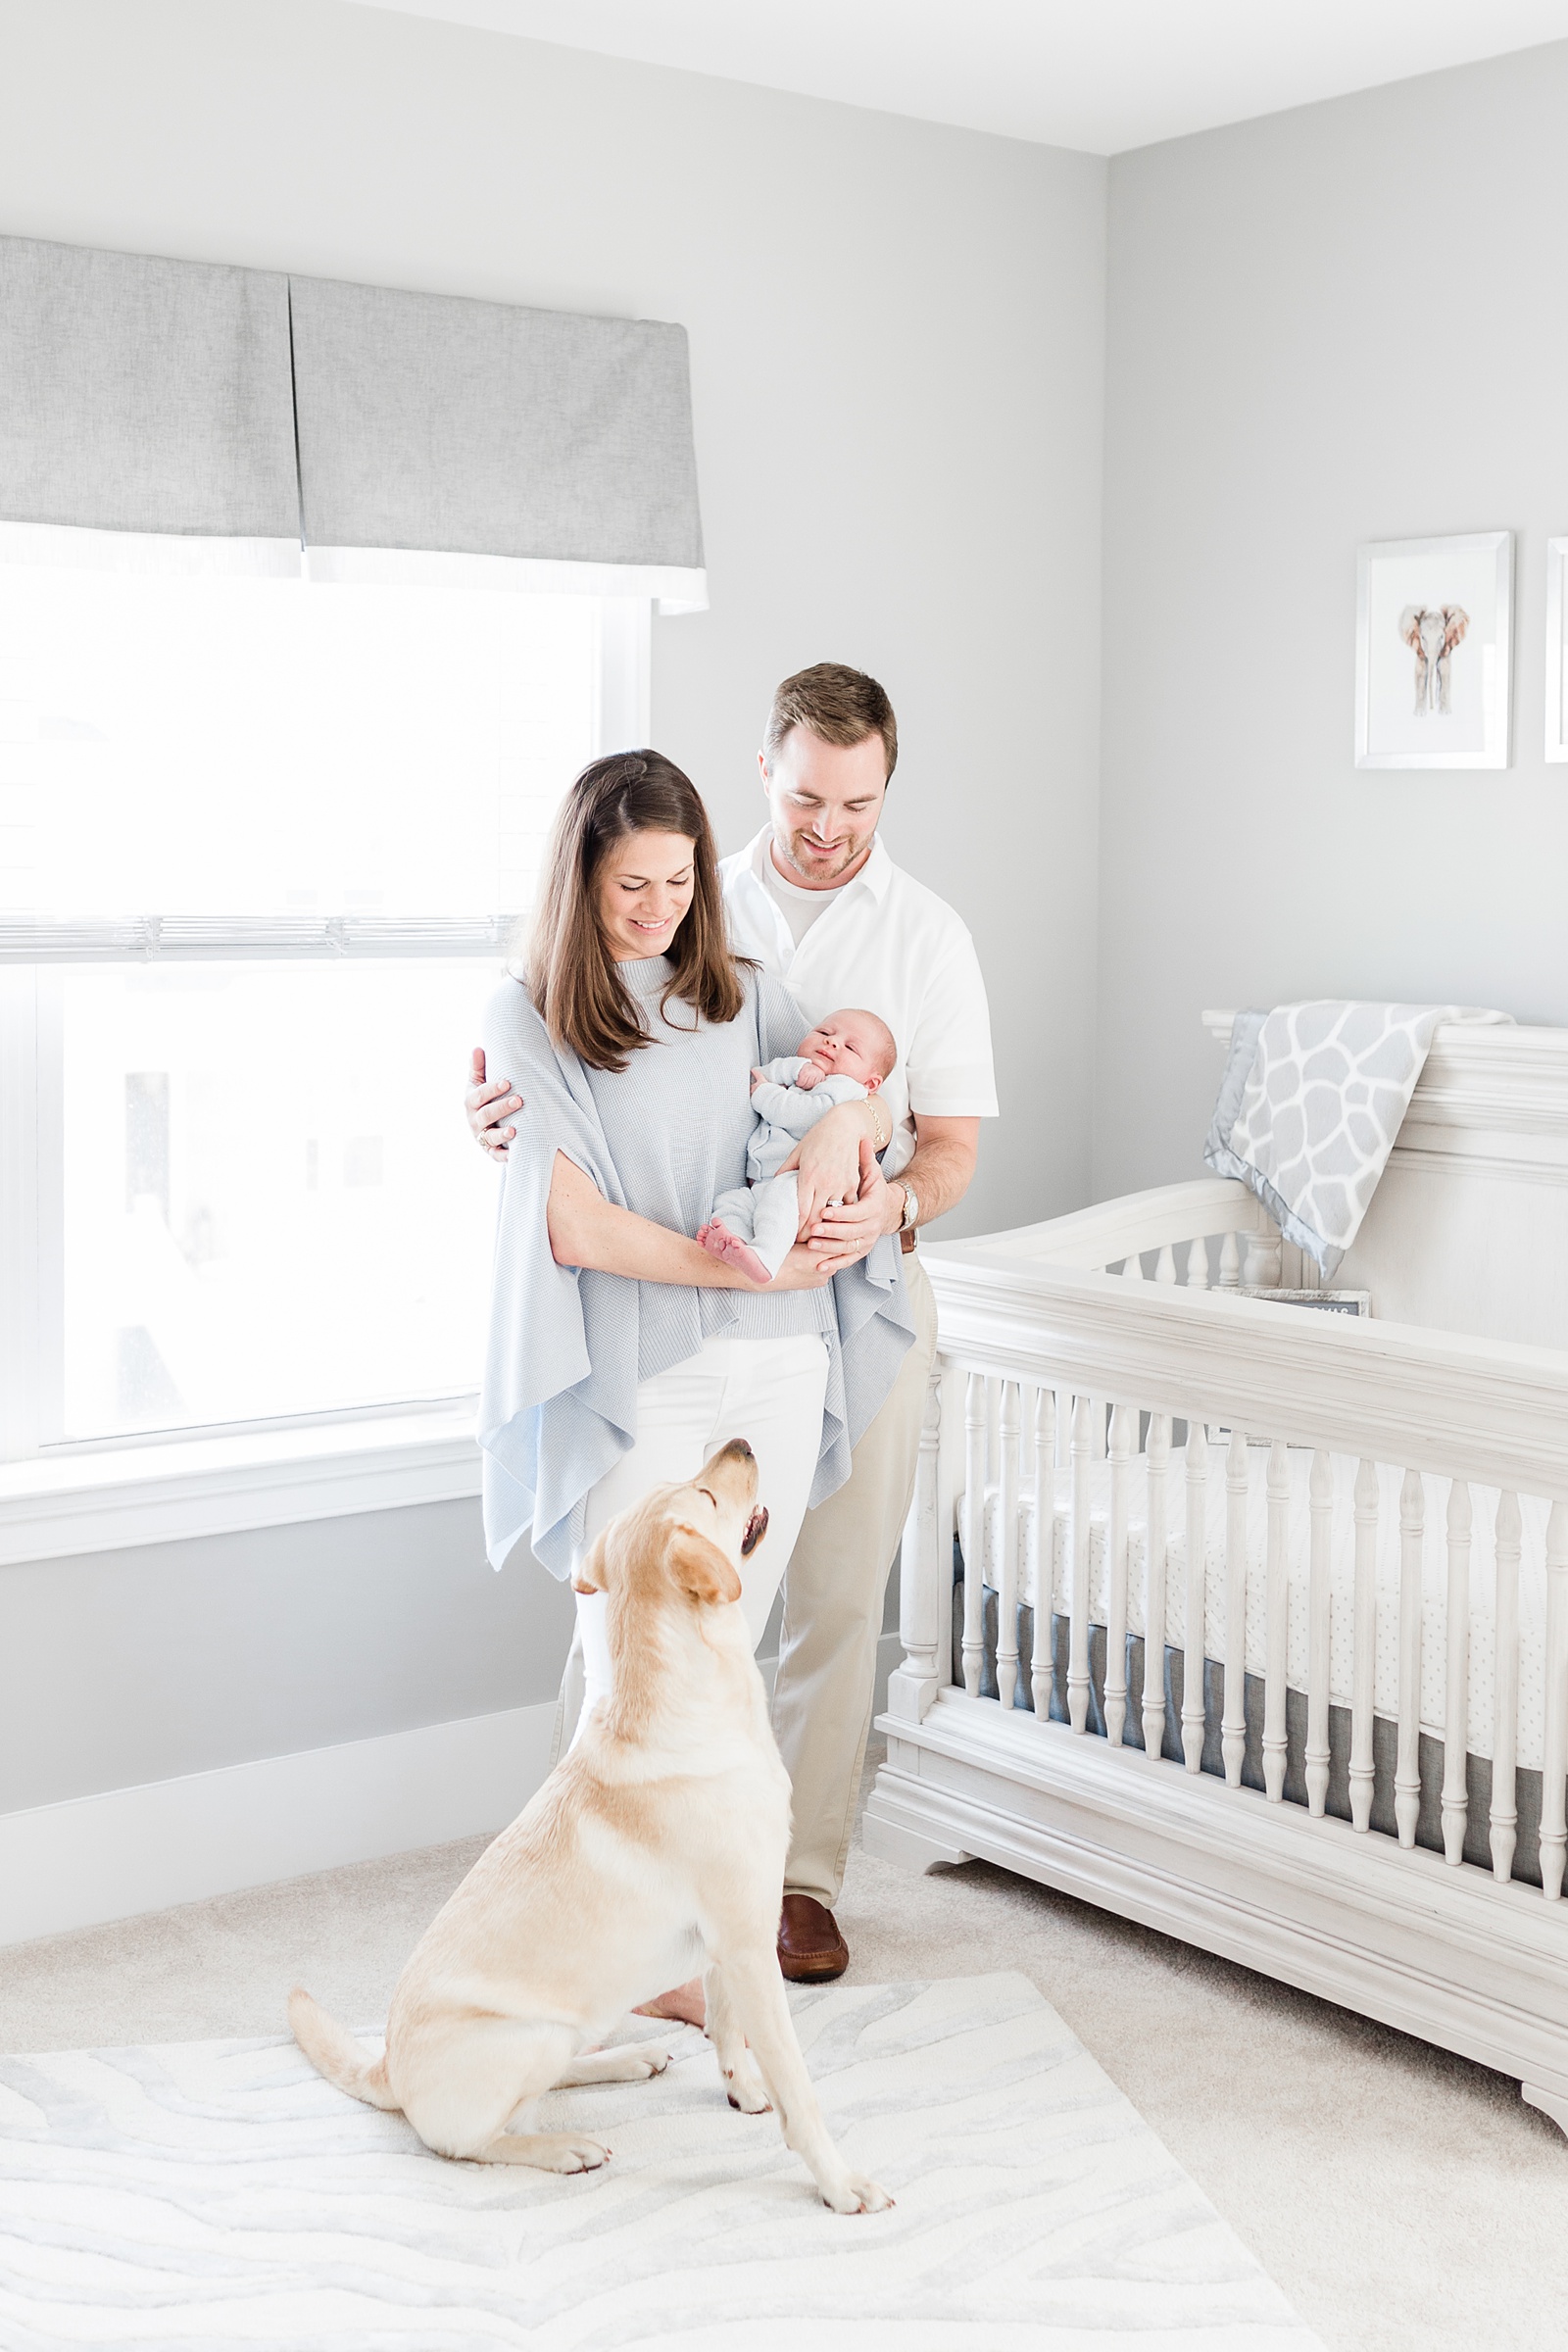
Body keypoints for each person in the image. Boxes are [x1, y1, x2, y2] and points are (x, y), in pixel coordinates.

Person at [469, 664, 996, 1983]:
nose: (830, 825)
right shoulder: (673, 913)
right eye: (810, 796)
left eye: (858, 802)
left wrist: (868, 1166)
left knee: (827, 1601)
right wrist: (503, 1132)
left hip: (836, 1297)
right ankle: (585, 1884)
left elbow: (929, 1130)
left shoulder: (910, 937)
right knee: (642, 1630)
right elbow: (569, 1168)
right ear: (766, 775)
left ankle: (784, 1885)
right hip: (693, 1316)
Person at [699, 1007, 898, 1284]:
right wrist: (798, 1068)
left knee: (779, 1200)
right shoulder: (800, 1075)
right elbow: (762, 1073)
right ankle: (735, 1245)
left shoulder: (847, 1089)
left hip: (801, 1182)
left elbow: (801, 1114)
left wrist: (766, 1094)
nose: (832, 1042)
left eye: (850, 1047)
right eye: (824, 1033)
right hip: (761, 1184)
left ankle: (766, 1257)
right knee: (731, 1203)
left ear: (871, 1082)